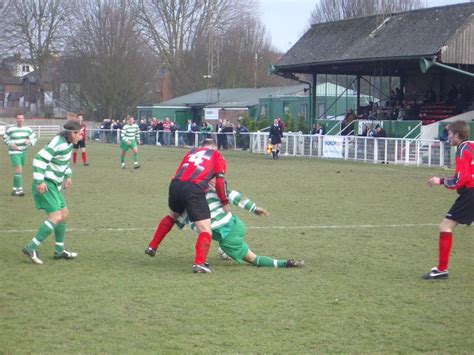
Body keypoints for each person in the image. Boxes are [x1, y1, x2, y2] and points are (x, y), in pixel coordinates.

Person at [175, 180, 304, 269]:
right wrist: (254, 208)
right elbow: (234, 195)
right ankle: (223, 251)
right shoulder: (214, 189)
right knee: (220, 237)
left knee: (253, 259)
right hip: (236, 224)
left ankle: (285, 263)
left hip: (229, 238)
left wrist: (178, 221)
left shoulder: (190, 201)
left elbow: (181, 219)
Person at [145, 138, 228, 273]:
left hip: (175, 185)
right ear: (214, 148)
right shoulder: (216, 155)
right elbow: (219, 182)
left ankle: (152, 246)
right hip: (193, 188)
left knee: (173, 216)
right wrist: (224, 201)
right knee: (206, 230)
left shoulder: (191, 152)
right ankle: (199, 263)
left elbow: (181, 171)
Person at [22, 120, 83, 265]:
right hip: (47, 183)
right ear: (71, 133)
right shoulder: (58, 142)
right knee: (56, 216)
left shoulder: (68, 144)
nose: (81, 136)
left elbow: (63, 162)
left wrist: (68, 175)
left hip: (54, 185)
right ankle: (31, 247)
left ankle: (59, 251)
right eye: (79, 133)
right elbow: (39, 159)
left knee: (64, 214)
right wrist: (39, 181)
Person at [424, 121, 474, 280]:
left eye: (450, 133)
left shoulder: (462, 149)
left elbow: (461, 179)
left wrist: (441, 181)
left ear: (458, 135)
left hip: (471, 193)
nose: (448, 137)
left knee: (446, 226)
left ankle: (441, 269)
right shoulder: (470, 146)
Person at [4, 114, 37, 196]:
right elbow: (5, 138)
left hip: (23, 152)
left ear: (24, 119)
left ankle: (14, 190)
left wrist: (29, 141)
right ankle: (20, 190)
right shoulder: (11, 129)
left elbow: (34, 138)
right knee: (19, 169)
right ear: (16, 119)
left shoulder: (28, 129)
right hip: (14, 152)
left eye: (21, 118)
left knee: (19, 171)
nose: (20, 120)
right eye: (18, 118)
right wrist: (11, 143)